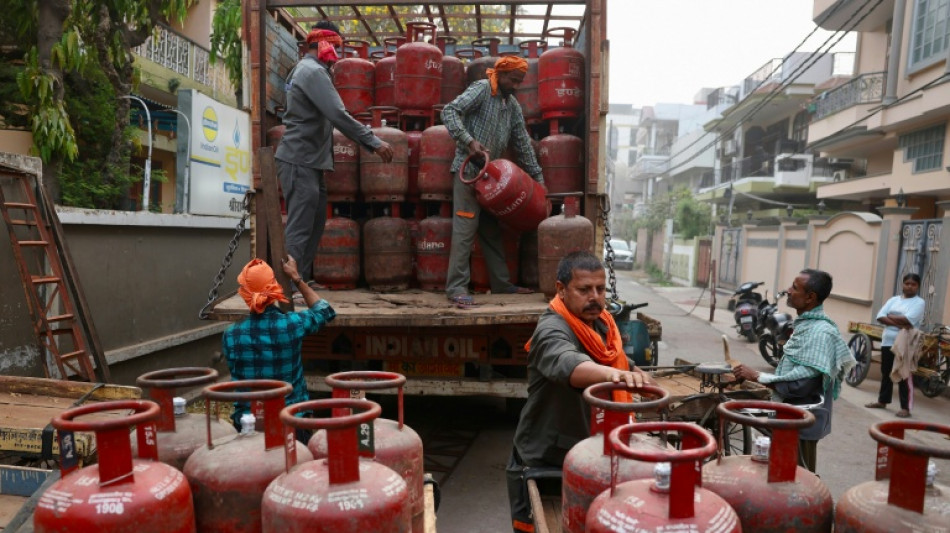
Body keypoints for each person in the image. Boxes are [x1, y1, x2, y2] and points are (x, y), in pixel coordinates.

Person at [506, 251, 649, 532]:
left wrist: (640, 377)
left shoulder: (602, 325)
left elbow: (619, 360)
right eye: (584, 290)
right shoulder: (551, 329)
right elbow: (567, 362)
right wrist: (612, 375)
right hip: (546, 461)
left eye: (600, 288)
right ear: (561, 289)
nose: (595, 297)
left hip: (590, 457)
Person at [275, 21, 394, 293]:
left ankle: (301, 280)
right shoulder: (313, 71)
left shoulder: (303, 70)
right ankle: (289, 288)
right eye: (336, 48)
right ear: (325, 46)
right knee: (301, 227)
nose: (337, 58)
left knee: (314, 224)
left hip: (309, 161)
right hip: (299, 159)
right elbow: (338, 114)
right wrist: (373, 142)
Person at [442, 56, 545, 308]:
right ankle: (456, 288)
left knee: (490, 231)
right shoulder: (481, 89)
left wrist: (539, 182)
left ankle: (501, 283)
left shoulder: (512, 106)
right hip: (468, 174)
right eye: (513, 79)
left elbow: (522, 144)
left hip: (493, 180)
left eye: (521, 81)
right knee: (465, 230)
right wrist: (469, 141)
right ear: (500, 73)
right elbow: (449, 111)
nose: (517, 85)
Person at [733, 268, 855, 473]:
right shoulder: (805, 325)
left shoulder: (820, 334)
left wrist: (757, 376)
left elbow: (800, 385)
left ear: (810, 297)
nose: (788, 291)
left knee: (797, 483)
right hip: (789, 419)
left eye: (795, 288)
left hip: (801, 423)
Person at [222, 256, 335, 430]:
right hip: (292, 421)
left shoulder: (231, 335)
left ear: (245, 294)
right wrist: (296, 278)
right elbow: (324, 310)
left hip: (249, 424)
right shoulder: (292, 325)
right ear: (275, 289)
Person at [865, 273, 925, 418]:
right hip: (888, 341)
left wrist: (890, 316)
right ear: (902, 284)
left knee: (904, 373)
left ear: (917, 287)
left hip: (905, 343)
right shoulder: (893, 300)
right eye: (907, 283)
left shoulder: (919, 302)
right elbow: (880, 316)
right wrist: (900, 323)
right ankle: (882, 401)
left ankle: (906, 408)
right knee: (886, 372)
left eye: (913, 284)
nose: (909, 286)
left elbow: (909, 321)